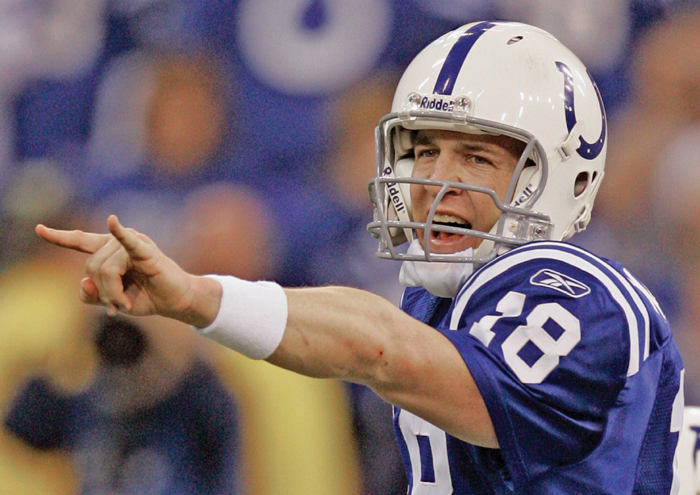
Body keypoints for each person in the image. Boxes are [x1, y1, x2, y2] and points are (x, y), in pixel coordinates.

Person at [35, 21, 684, 493]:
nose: (437, 179)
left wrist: (204, 297)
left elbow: (381, 347)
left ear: (562, 178)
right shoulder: (442, 297)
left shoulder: (579, 295)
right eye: (425, 150)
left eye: (477, 157)